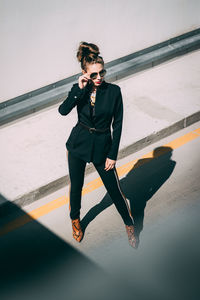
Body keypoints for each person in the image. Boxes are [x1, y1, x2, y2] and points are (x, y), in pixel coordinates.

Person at [58, 41, 136, 248]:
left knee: (115, 191)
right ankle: (75, 220)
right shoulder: (79, 90)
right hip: (78, 144)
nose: (99, 78)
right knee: (76, 187)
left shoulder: (114, 91)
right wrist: (79, 89)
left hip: (103, 147)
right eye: (93, 74)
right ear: (84, 73)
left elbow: (117, 125)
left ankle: (129, 224)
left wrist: (113, 154)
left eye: (102, 73)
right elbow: (63, 111)